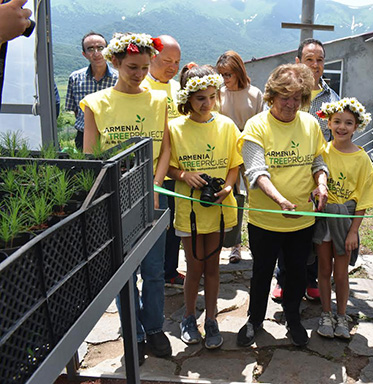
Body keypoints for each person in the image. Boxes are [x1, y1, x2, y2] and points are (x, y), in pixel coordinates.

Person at [80, 32, 172, 365]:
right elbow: (91, 155)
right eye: (132, 67)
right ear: (116, 62)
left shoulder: (158, 100)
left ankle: (154, 327)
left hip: (152, 198)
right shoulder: (96, 104)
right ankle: (132, 331)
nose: (139, 74)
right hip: (115, 199)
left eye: (145, 68)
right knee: (123, 273)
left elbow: (165, 148)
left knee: (154, 270)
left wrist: (156, 184)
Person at [237, 63, 329, 348]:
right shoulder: (257, 125)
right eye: (284, 96)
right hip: (266, 220)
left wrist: (322, 183)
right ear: (271, 96)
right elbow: (255, 171)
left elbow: (318, 161)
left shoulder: (310, 124)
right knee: (262, 272)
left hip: (302, 217)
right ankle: (255, 320)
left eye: (296, 98)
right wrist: (279, 200)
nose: (290, 104)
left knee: (297, 270)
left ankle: (293, 317)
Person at [161, 64, 242, 349]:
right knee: (193, 267)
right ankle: (188, 316)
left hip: (218, 209)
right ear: (186, 99)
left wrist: (229, 186)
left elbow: (234, 164)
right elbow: (168, 167)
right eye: (199, 98)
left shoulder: (227, 126)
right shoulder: (175, 128)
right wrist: (183, 175)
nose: (206, 103)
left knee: (213, 269)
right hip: (190, 210)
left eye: (211, 96)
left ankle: (212, 319)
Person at [272, 38, 340, 302]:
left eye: (320, 60)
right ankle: (283, 277)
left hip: (317, 172)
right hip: (287, 170)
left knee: (314, 228)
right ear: (298, 62)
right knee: (284, 225)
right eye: (309, 59)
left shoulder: (331, 98)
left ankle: (310, 278)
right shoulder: (287, 93)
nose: (315, 65)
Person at [313, 98, 373, 339]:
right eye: (337, 121)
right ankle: (326, 313)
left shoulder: (362, 159)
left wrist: (353, 231)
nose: (342, 127)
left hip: (345, 224)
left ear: (356, 126)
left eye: (348, 123)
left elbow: (363, 198)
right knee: (323, 268)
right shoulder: (322, 152)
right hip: (323, 221)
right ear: (328, 122)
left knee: (340, 273)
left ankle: (341, 315)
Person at [141, 35, 185, 288]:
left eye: (177, 62)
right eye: (167, 60)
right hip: (150, 170)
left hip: (177, 171)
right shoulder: (141, 87)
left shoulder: (178, 90)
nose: (173, 67)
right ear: (152, 57)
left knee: (174, 226)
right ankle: (153, 274)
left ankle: (170, 270)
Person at [216, 50, 264, 263]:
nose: (225, 79)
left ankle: (257, 243)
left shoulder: (254, 93)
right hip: (226, 151)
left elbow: (262, 122)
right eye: (222, 75)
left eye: (228, 74)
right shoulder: (218, 93)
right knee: (233, 199)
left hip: (250, 150)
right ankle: (234, 245)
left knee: (255, 196)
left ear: (238, 72)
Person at [65, 32, 118, 150]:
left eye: (100, 48)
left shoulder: (119, 79)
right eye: (90, 49)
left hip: (112, 136)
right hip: (83, 136)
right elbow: (75, 110)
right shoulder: (75, 78)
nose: (96, 53)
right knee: (86, 167)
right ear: (84, 54)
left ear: (108, 50)